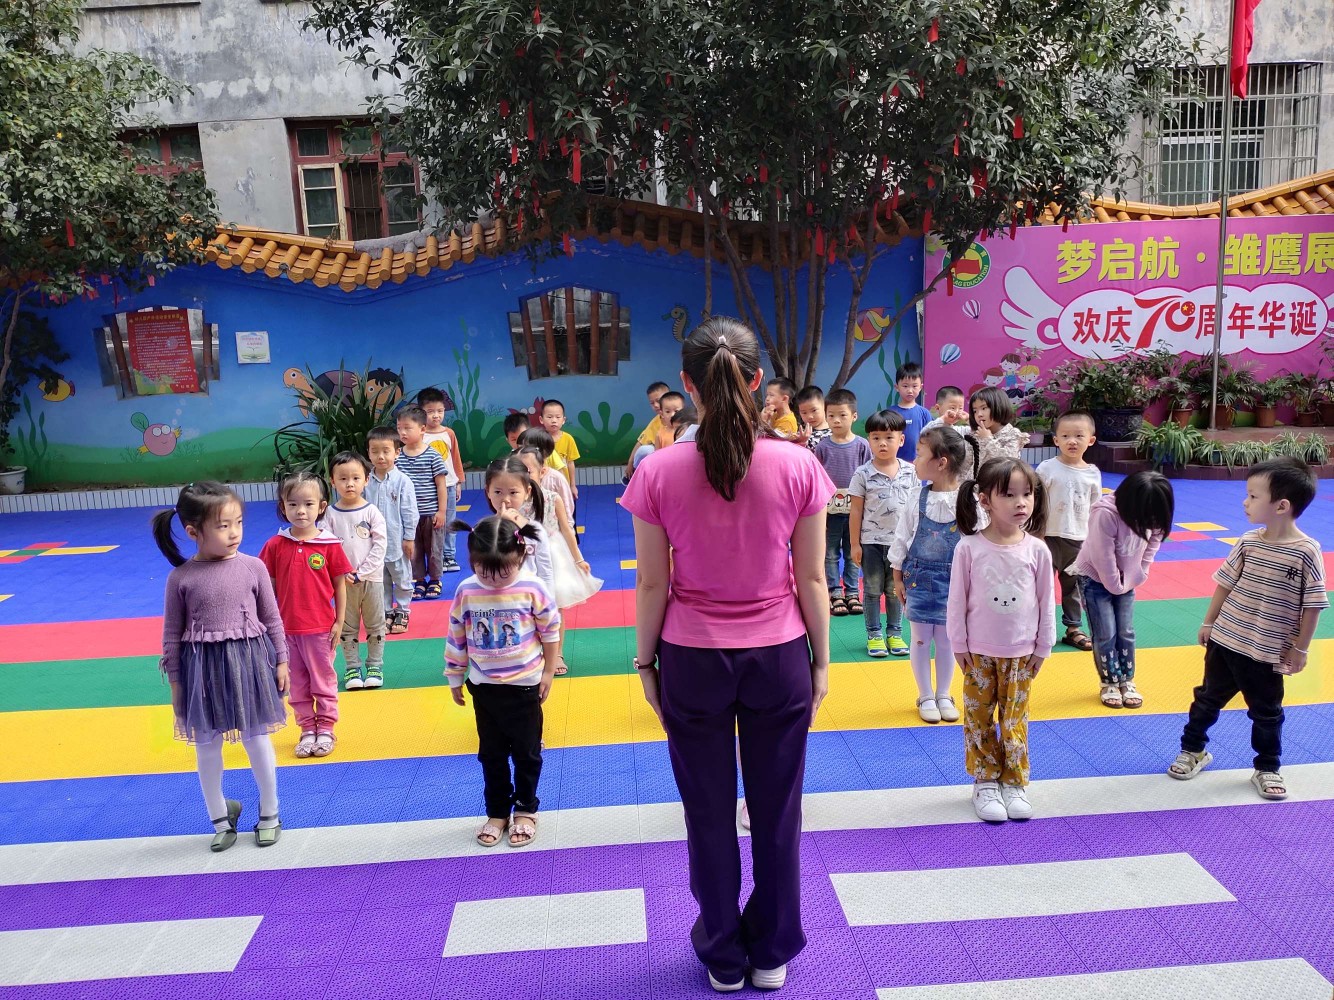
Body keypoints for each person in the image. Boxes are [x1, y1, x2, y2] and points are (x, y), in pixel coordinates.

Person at [621, 317, 834, 993]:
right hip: (780, 655)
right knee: (777, 812)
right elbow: (812, 579)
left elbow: (652, 583)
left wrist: (645, 663)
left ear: (688, 386)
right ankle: (770, 951)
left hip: (691, 660)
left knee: (708, 814)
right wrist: (820, 661)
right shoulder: (798, 464)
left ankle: (722, 952)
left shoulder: (657, 470)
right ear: (757, 381)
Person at [1170, 457, 1326, 801]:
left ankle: (1267, 767)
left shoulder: (1306, 552)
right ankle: (1193, 749)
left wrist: (1301, 649)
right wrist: (1209, 622)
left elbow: (1313, 604)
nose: (1245, 502)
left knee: (1267, 713)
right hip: (1226, 640)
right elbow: (1225, 584)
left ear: (1281, 506)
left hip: (1267, 652)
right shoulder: (1248, 541)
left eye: (1254, 496)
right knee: (1207, 699)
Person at [153, 482, 288, 851]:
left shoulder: (253, 567)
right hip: (202, 672)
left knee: (256, 738)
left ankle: (270, 811)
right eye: (223, 526)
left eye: (238, 522)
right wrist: (176, 684)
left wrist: (282, 660)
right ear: (193, 531)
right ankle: (219, 816)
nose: (234, 533)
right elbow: (171, 635)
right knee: (207, 745)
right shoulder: (181, 578)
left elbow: (272, 619)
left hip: (250, 664)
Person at [949, 458, 1056, 822]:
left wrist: (1043, 646)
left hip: (1022, 654)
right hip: (978, 653)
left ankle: (1014, 781)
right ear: (985, 500)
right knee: (978, 718)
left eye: (1027, 494)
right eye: (1009, 495)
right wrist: (959, 644)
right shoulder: (969, 548)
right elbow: (957, 600)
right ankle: (985, 780)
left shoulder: (1037, 550)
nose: (1021, 502)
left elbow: (1046, 601)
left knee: (1015, 720)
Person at [445, 515, 561, 848]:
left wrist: (548, 671)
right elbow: (457, 634)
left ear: (521, 556)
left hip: (525, 685)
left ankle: (525, 809)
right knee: (491, 755)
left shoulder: (533, 587)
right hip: (484, 686)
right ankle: (497, 812)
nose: (494, 581)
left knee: (526, 753)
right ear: (472, 561)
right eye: (484, 572)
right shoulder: (467, 590)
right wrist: (455, 675)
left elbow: (550, 631)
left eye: (503, 572)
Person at [259, 472, 352, 759]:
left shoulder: (330, 544)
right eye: (293, 504)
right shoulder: (275, 545)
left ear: (322, 507)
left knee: (322, 681)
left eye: (308, 504)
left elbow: (340, 584)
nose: (301, 511)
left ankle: (326, 728)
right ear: (283, 506)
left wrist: (339, 622)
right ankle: (307, 729)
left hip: (320, 629)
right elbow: (268, 586)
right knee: (296, 684)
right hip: (286, 632)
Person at [1071, 471, 1174, 710]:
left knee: (1125, 631)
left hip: (1127, 579)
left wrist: (1140, 573)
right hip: (1095, 578)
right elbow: (1103, 557)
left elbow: (1153, 542)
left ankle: (1126, 680)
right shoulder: (1105, 514)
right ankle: (1109, 682)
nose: (1149, 520)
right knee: (1105, 633)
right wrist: (1117, 585)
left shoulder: (1152, 512)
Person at [892, 427, 973, 724]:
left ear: (941, 462)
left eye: (918, 454)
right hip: (918, 579)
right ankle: (925, 695)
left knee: (948, 640)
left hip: (956, 583)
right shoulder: (916, 497)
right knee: (920, 639)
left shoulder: (968, 499)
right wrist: (897, 578)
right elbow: (902, 538)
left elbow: (977, 543)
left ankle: (944, 693)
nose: (913, 461)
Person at [516, 445, 602, 674]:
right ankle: (528, 652)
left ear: (542, 472)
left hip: (553, 555)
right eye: (517, 470)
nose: (522, 475)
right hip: (522, 557)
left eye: (528, 471)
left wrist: (578, 559)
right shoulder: (513, 499)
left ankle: (556, 654)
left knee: (555, 606)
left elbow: (566, 530)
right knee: (524, 606)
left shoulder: (552, 499)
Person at [850, 409, 917, 658]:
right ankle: (874, 634)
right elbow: (856, 510)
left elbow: (915, 509)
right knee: (871, 589)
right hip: (871, 544)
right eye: (876, 437)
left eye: (889, 437)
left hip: (901, 545)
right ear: (869, 440)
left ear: (901, 439)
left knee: (895, 589)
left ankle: (895, 633)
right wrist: (855, 545)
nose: (882, 443)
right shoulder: (862, 473)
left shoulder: (911, 472)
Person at [1036, 411, 1102, 653]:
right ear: (1056, 440)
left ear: (1090, 440)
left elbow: (1096, 508)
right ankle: (1039, 628)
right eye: (1065, 436)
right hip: (1048, 537)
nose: (1072, 441)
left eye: (1078, 436)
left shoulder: (1092, 473)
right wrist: (1035, 532)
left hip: (1079, 540)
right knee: (1041, 585)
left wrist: (1096, 539)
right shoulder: (1047, 468)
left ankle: (1073, 628)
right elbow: (1035, 500)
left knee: (1073, 586)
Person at [325, 451, 388, 690]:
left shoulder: (372, 512)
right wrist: (341, 573)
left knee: (375, 624)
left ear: (366, 480)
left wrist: (362, 572)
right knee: (346, 625)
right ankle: (352, 667)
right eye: (342, 478)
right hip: (343, 583)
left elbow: (380, 545)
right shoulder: (330, 514)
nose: (349, 483)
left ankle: (375, 666)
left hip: (371, 579)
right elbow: (327, 546)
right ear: (333, 481)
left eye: (355, 478)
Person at [815, 388, 872, 617]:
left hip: (855, 512)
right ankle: (835, 592)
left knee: (852, 552)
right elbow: (817, 478)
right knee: (830, 553)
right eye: (831, 416)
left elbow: (868, 476)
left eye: (842, 415)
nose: (836, 420)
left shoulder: (862, 445)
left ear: (854, 416)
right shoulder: (822, 446)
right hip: (829, 513)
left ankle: (852, 592)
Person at [365, 427, 418, 635]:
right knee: (381, 580)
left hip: (396, 541)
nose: (380, 456)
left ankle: (403, 611)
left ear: (397, 452)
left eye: (386, 451)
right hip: (373, 544)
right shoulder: (365, 482)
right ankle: (386, 611)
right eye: (375, 451)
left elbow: (410, 512)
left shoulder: (402, 481)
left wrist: (409, 538)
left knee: (402, 578)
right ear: (368, 453)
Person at [396, 405, 449, 599]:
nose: (402, 432)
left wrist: (441, 512)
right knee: (413, 550)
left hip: (431, 513)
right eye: (399, 428)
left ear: (422, 429)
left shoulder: (432, 455)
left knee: (434, 549)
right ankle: (419, 580)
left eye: (407, 428)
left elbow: (441, 485)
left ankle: (435, 580)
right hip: (409, 516)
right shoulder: (397, 457)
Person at [484, 455, 555, 597]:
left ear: (527, 492)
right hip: (497, 601)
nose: (505, 499)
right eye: (498, 492)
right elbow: (482, 569)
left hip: (529, 601)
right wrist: (500, 526)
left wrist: (548, 604)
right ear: (488, 492)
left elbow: (546, 573)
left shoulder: (535, 531)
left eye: (513, 492)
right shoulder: (483, 530)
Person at [418, 387, 466, 575]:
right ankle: (435, 557)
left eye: (440, 411)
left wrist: (458, 481)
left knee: (450, 520)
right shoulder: (420, 435)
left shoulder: (449, 433)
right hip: (428, 487)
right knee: (432, 522)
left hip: (449, 485)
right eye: (430, 412)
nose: (436, 415)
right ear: (421, 412)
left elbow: (455, 458)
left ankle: (449, 556)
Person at [517, 426, 575, 524]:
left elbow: (567, 508)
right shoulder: (516, 475)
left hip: (552, 530)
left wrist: (566, 528)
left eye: (524, 449)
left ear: (541, 452)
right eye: (518, 449)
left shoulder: (556, 479)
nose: (519, 453)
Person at [966, 386, 1024, 477]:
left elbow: (1007, 461)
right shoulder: (974, 435)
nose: (979, 414)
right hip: (974, 484)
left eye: (984, 408)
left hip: (999, 483)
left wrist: (988, 439)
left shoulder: (1013, 434)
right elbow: (966, 465)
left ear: (999, 407)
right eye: (975, 411)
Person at [624, 381, 672, 482]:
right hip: (661, 460)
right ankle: (635, 475)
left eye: (658, 400)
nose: (655, 405)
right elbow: (641, 442)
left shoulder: (682, 418)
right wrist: (630, 463)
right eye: (652, 403)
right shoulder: (655, 423)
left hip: (677, 458)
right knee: (645, 450)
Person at [630, 391, 687, 470]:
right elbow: (657, 457)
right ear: (662, 414)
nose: (672, 415)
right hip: (666, 468)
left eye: (676, 411)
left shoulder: (688, 431)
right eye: (667, 412)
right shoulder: (660, 434)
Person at [888, 361, 932, 462]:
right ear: (897, 387)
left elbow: (930, 438)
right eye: (905, 386)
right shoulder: (890, 413)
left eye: (914, 386)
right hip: (894, 463)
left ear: (921, 387)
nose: (910, 390)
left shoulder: (924, 414)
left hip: (918, 463)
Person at [540, 399, 580, 501]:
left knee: (567, 509)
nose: (554, 420)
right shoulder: (539, 439)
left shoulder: (568, 439)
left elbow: (570, 463)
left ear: (563, 420)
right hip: (545, 487)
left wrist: (572, 485)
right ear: (541, 419)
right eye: (549, 417)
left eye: (558, 417)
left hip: (564, 486)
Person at [794, 385, 831, 452]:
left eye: (814, 410)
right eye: (804, 413)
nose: (809, 416)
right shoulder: (801, 433)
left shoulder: (834, 434)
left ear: (824, 406)